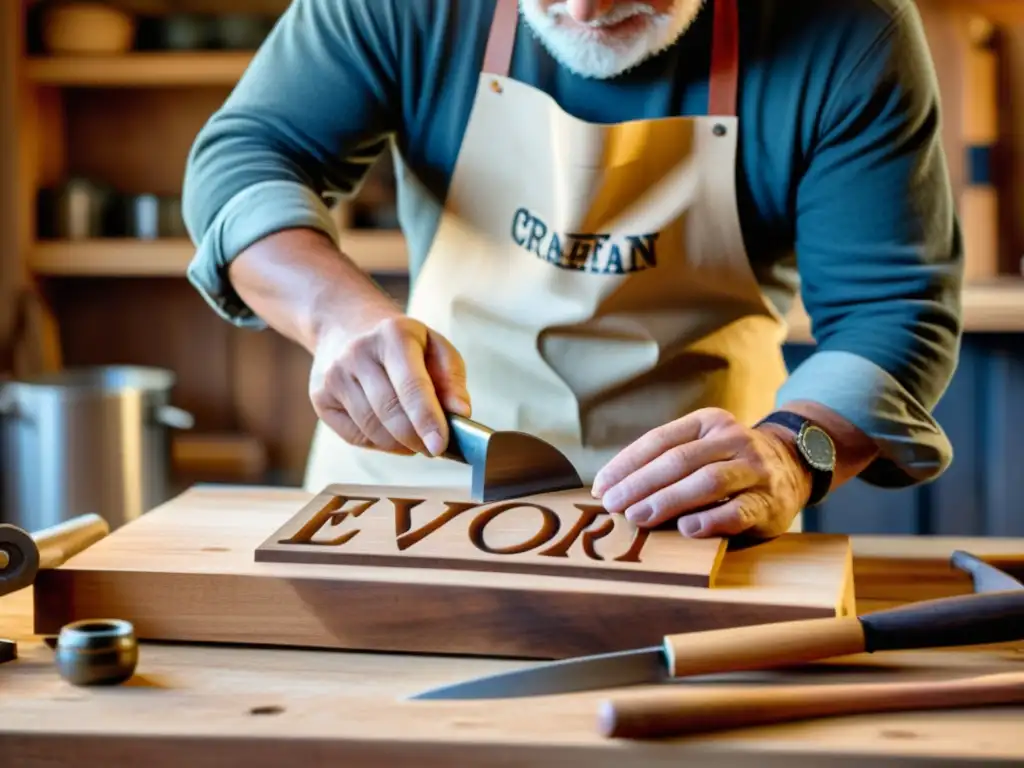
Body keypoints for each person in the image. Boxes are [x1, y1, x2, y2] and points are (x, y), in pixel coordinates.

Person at [181, 0, 963, 540]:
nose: (585, 11)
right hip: (410, 488)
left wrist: (796, 454)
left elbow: (891, 308)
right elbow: (249, 157)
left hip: (693, 512)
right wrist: (337, 316)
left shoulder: (850, 30)